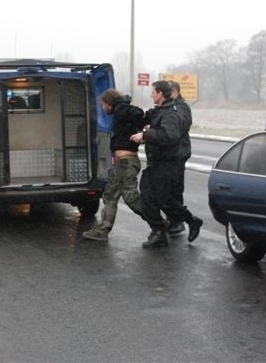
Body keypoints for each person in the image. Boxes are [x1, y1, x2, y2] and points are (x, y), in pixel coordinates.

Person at [130, 80, 203, 248]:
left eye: (153, 92)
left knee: (166, 201)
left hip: (167, 164)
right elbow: (147, 118)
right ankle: (158, 232)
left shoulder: (172, 112)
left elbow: (170, 136)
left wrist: (146, 135)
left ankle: (192, 221)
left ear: (160, 94)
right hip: (155, 162)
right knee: (147, 198)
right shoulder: (160, 110)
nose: (151, 95)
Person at [82, 89, 146, 241]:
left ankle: (159, 223)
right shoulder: (120, 111)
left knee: (131, 198)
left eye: (103, 104)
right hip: (121, 163)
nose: (103, 108)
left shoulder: (122, 109)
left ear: (109, 103)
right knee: (110, 195)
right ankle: (102, 230)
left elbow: (138, 114)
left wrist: (145, 123)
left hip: (126, 163)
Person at [167, 80, 191, 236]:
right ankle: (172, 220)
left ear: (175, 92)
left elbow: (181, 126)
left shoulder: (181, 107)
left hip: (178, 153)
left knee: (175, 188)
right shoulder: (172, 107)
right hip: (171, 153)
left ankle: (179, 221)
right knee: (167, 188)